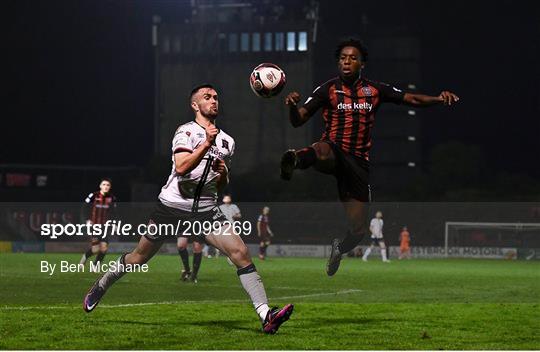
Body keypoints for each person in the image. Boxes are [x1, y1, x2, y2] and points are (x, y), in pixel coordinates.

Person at [82, 84, 293, 334]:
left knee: (241, 253)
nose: (214, 101)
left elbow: (220, 184)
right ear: (195, 105)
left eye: (216, 97)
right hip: (171, 209)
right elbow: (181, 168)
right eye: (207, 97)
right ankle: (102, 284)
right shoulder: (186, 132)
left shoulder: (227, 142)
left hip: (205, 212)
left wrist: (224, 174)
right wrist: (205, 144)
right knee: (138, 257)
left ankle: (265, 315)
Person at [282, 38, 459, 276]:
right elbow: (298, 120)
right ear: (338, 63)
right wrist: (292, 106)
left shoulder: (375, 90)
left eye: (353, 58)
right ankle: (295, 159)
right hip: (334, 151)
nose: (347, 61)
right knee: (322, 149)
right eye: (343, 58)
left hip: (358, 164)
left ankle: (339, 248)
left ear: (362, 64)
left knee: (358, 231)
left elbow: (412, 99)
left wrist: (438, 98)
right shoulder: (327, 90)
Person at [79, 178, 117, 269]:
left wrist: (114, 223)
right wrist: (87, 220)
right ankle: (85, 257)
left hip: (105, 227)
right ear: (100, 186)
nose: (106, 187)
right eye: (104, 184)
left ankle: (95, 267)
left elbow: (114, 213)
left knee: (104, 248)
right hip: (94, 226)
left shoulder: (112, 198)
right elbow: (84, 208)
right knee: (95, 249)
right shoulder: (93, 196)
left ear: (110, 187)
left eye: (108, 185)